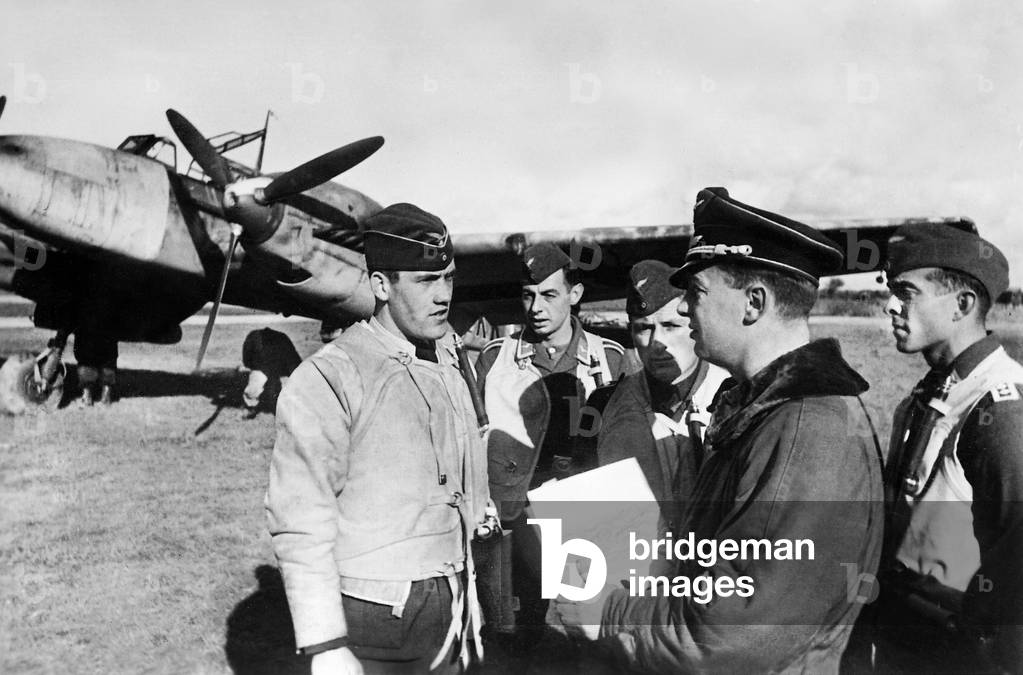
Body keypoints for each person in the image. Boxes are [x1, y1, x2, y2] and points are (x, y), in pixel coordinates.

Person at [560, 187, 885, 674]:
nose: (686, 311)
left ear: (753, 303)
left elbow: (729, 638)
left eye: (696, 295)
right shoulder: (770, 412)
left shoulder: (803, 431)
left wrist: (607, 611)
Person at [266, 203, 491, 675]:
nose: (443, 296)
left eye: (448, 278)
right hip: (375, 615)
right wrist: (324, 642)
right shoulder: (332, 376)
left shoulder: (449, 360)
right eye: (426, 281)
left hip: (454, 603)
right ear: (381, 286)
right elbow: (300, 517)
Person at [871, 223, 1023, 673]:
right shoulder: (931, 393)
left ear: (962, 305)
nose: (890, 305)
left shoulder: (1000, 407)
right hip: (908, 637)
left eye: (907, 292)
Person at [474, 242, 624, 637]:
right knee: (509, 637)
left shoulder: (610, 359)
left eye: (549, 295)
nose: (536, 307)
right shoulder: (495, 360)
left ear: (575, 295)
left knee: (580, 635)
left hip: (582, 524)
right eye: (528, 295)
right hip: (511, 527)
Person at [595, 259, 729, 557]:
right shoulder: (610, 404)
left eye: (671, 326)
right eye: (643, 328)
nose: (657, 342)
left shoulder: (733, 393)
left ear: (695, 324)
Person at [240, 327, 301, 413]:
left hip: (279, 364)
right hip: (261, 364)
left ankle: (284, 406)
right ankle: (250, 406)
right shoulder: (255, 340)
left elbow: (294, 361)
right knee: (256, 384)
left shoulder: (283, 343)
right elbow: (247, 356)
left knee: (287, 385)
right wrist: (251, 366)